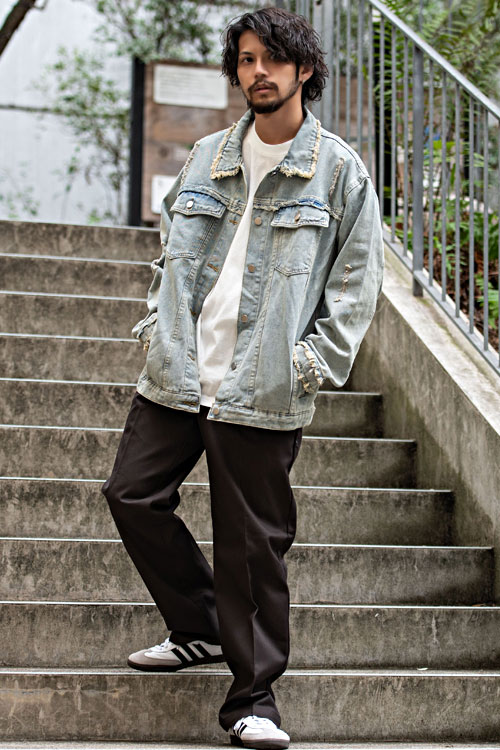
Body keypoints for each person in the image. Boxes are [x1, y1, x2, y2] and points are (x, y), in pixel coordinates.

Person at [102, 6, 384, 749]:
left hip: (262, 386)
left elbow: (356, 285)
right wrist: (157, 327)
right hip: (178, 373)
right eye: (247, 59)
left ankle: (254, 702)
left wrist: (309, 364)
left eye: (272, 59)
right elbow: (170, 252)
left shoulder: (339, 172)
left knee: (251, 548)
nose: (257, 72)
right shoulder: (206, 156)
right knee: (131, 495)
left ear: (304, 70)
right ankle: (198, 625)